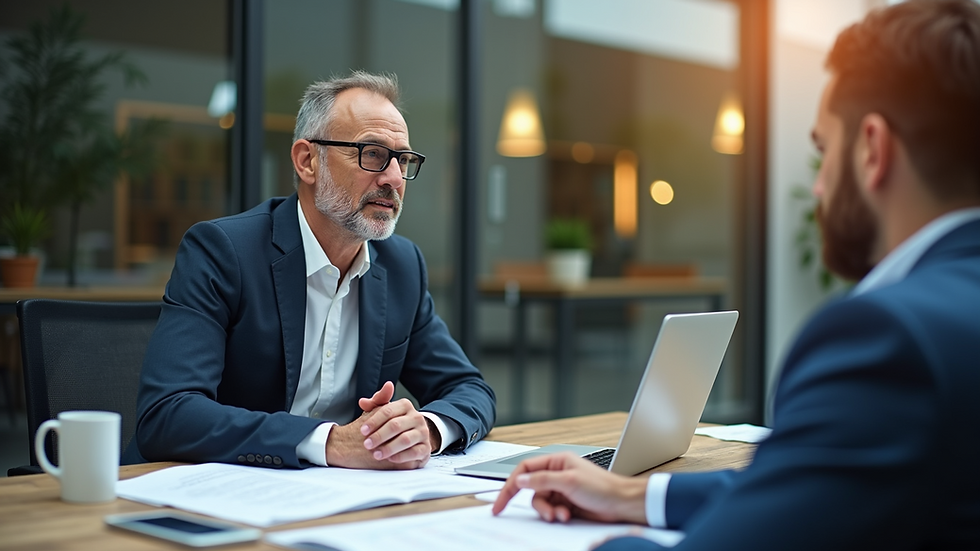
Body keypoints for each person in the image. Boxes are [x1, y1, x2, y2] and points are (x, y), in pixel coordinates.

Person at [492, 1, 980, 548]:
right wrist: (634, 496)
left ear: (872, 149)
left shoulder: (888, 340)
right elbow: (812, 489)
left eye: (824, 150)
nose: (818, 187)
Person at [131, 71, 496, 470]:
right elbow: (168, 413)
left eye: (403, 159)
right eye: (372, 154)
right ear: (308, 162)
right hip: (220, 487)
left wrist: (424, 430)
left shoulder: (402, 265)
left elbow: (469, 388)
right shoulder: (224, 252)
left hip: (343, 493)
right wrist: (331, 442)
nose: (394, 178)